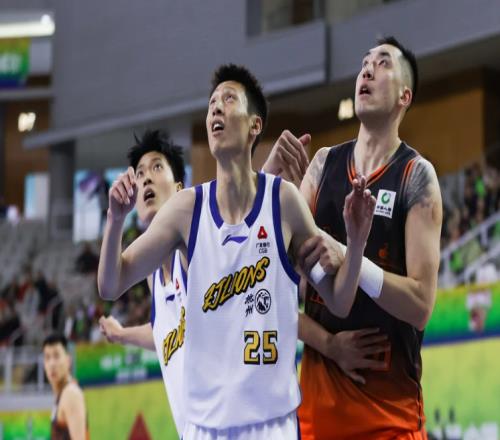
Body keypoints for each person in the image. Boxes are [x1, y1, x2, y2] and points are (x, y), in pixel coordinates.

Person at [98, 64, 376, 439]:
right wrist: (115, 219)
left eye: (228, 99)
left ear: (254, 125)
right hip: (205, 428)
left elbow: (339, 300)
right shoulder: (185, 210)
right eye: (212, 102)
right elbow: (110, 284)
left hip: (272, 424)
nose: (216, 107)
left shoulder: (284, 201)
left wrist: (356, 243)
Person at [263, 36, 443, 439]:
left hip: (389, 420)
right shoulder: (323, 165)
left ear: (405, 96)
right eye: (364, 63)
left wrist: (348, 258)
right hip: (315, 417)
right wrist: (330, 344)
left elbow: (420, 306)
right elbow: (272, 283)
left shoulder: (416, 176)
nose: (367, 70)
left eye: (383, 63)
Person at [98, 128, 187, 435]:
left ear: (179, 188)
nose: (146, 178)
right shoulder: (153, 275)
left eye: (157, 167)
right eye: (139, 173)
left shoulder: (191, 246)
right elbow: (164, 331)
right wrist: (115, 217)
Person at [42, 334, 88, 440]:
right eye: (47, 357)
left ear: (68, 360)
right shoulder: (61, 394)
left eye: (56, 356)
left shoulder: (71, 394)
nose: (52, 364)